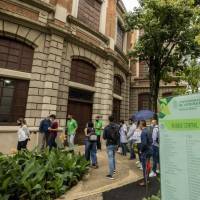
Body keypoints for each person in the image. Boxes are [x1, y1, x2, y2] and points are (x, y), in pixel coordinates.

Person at [103, 115, 119, 180]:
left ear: (108, 120)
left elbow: (104, 137)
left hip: (109, 144)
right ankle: (114, 169)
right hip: (115, 144)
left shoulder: (106, 127)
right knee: (113, 157)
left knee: (110, 158)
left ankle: (111, 174)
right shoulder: (117, 126)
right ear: (114, 119)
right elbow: (118, 136)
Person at [139, 120, 152, 186]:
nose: (139, 126)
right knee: (148, 165)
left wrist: (141, 150)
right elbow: (151, 140)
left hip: (145, 151)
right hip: (150, 150)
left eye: (139, 125)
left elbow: (144, 143)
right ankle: (148, 179)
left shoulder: (143, 132)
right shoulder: (149, 130)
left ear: (141, 125)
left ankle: (145, 181)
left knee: (145, 167)